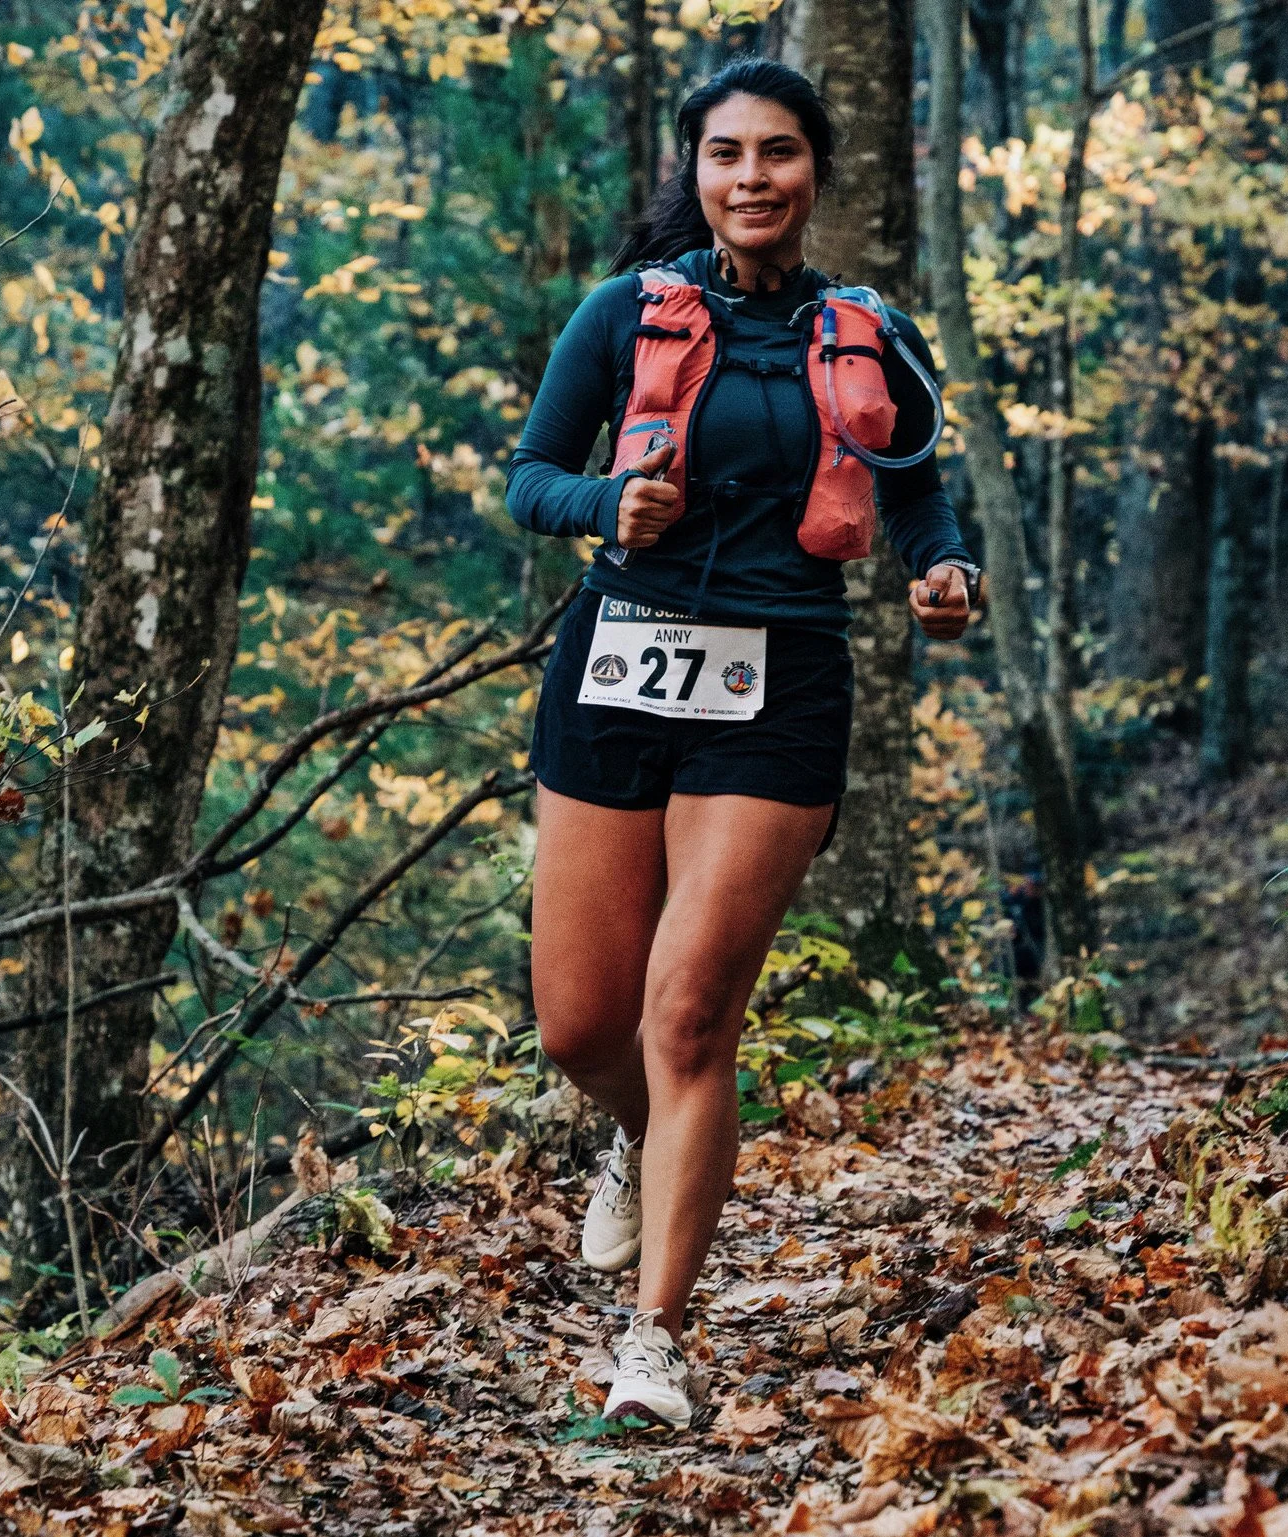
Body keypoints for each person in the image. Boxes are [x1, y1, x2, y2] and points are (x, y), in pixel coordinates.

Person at [504, 57, 978, 1429]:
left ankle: (652, 1344)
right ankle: (646, 1136)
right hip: (617, 664)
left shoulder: (866, 331)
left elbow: (921, 504)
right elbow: (530, 476)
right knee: (583, 1026)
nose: (753, 177)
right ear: (693, 173)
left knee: (690, 1013)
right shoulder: (621, 314)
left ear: (815, 170)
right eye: (726, 155)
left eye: (778, 153)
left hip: (780, 684)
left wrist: (945, 579)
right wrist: (606, 501)